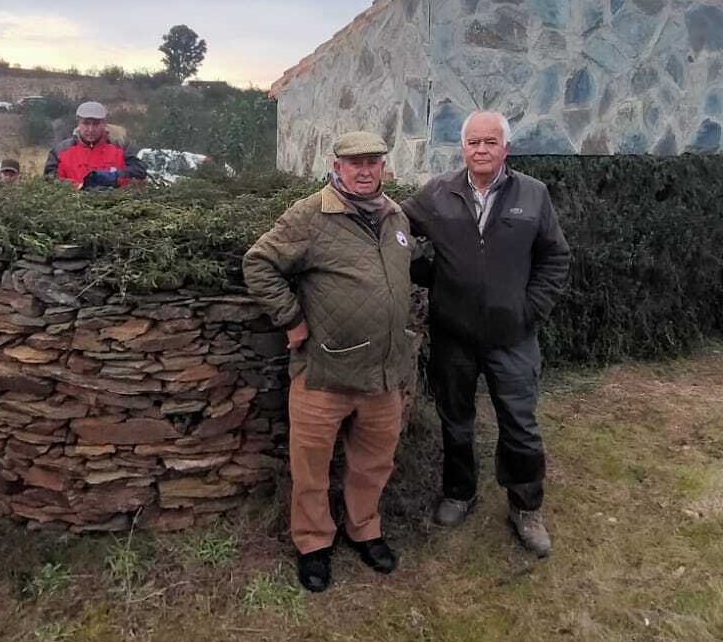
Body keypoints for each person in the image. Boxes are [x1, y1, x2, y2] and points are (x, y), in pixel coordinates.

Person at [242, 131, 416, 593]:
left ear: (383, 167)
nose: (364, 171)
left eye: (373, 162)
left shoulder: (396, 216)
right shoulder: (311, 215)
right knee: (311, 469)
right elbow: (258, 263)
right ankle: (313, 543)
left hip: (383, 375)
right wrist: (291, 320)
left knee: (373, 464)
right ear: (337, 167)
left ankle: (365, 530)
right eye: (354, 163)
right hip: (324, 374)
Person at [401, 110, 570, 558]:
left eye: (490, 142)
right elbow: (395, 231)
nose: (481, 150)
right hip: (453, 335)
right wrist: (429, 275)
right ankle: (459, 493)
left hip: (512, 336)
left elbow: (555, 257)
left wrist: (530, 311)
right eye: (473, 142)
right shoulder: (438, 193)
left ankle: (525, 507)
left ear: (505, 149)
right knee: (456, 420)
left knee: (520, 425)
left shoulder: (532, 195)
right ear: (463, 148)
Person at [43, 101, 147, 189]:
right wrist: (76, 186)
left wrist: (115, 177)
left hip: (116, 203)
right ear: (78, 123)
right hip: (73, 204)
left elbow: (139, 172)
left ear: (104, 124)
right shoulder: (61, 150)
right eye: (86, 123)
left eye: (96, 124)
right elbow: (49, 180)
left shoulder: (121, 146)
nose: (91, 129)